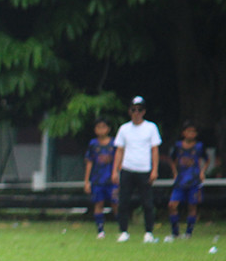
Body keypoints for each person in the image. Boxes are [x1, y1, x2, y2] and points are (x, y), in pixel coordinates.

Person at [112, 96, 161, 243]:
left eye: (139, 110)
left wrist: (154, 170)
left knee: (147, 202)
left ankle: (148, 232)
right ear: (130, 111)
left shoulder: (151, 128)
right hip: (127, 168)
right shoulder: (124, 129)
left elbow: (155, 150)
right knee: (124, 201)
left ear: (144, 111)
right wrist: (115, 170)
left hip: (144, 169)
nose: (136, 113)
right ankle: (123, 231)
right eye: (133, 110)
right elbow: (119, 150)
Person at [165, 121, 208, 242]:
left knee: (192, 206)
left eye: (193, 131)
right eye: (188, 131)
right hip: (180, 181)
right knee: (172, 205)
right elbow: (172, 159)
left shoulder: (199, 146)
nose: (190, 134)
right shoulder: (178, 146)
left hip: (194, 180)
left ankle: (188, 233)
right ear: (183, 133)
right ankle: (175, 232)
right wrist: (175, 172)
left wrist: (202, 172)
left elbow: (207, 159)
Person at [83, 117, 118, 239]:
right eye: (98, 127)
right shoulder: (93, 144)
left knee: (115, 203)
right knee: (98, 203)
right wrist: (87, 181)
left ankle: (121, 229)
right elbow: (89, 162)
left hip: (112, 179)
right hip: (98, 179)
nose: (101, 130)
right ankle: (100, 230)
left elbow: (118, 160)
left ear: (108, 129)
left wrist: (117, 174)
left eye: (103, 127)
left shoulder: (114, 143)